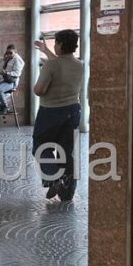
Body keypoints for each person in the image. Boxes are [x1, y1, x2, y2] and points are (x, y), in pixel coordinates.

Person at [33, 29, 84, 202]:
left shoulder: (50, 65)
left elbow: (39, 90)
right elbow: (61, 64)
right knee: (66, 151)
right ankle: (67, 192)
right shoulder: (79, 64)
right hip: (73, 111)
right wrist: (46, 50)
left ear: (60, 44)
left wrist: (38, 86)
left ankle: (54, 178)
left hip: (50, 112)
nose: (54, 46)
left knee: (41, 147)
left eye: (55, 43)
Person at [0, 44, 24, 113]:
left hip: (12, 82)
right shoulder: (9, 58)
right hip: (5, 80)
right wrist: (4, 60)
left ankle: (6, 106)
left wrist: (6, 73)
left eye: (10, 53)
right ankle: (0, 106)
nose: (9, 54)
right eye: (7, 52)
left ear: (15, 51)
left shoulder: (18, 60)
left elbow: (17, 73)